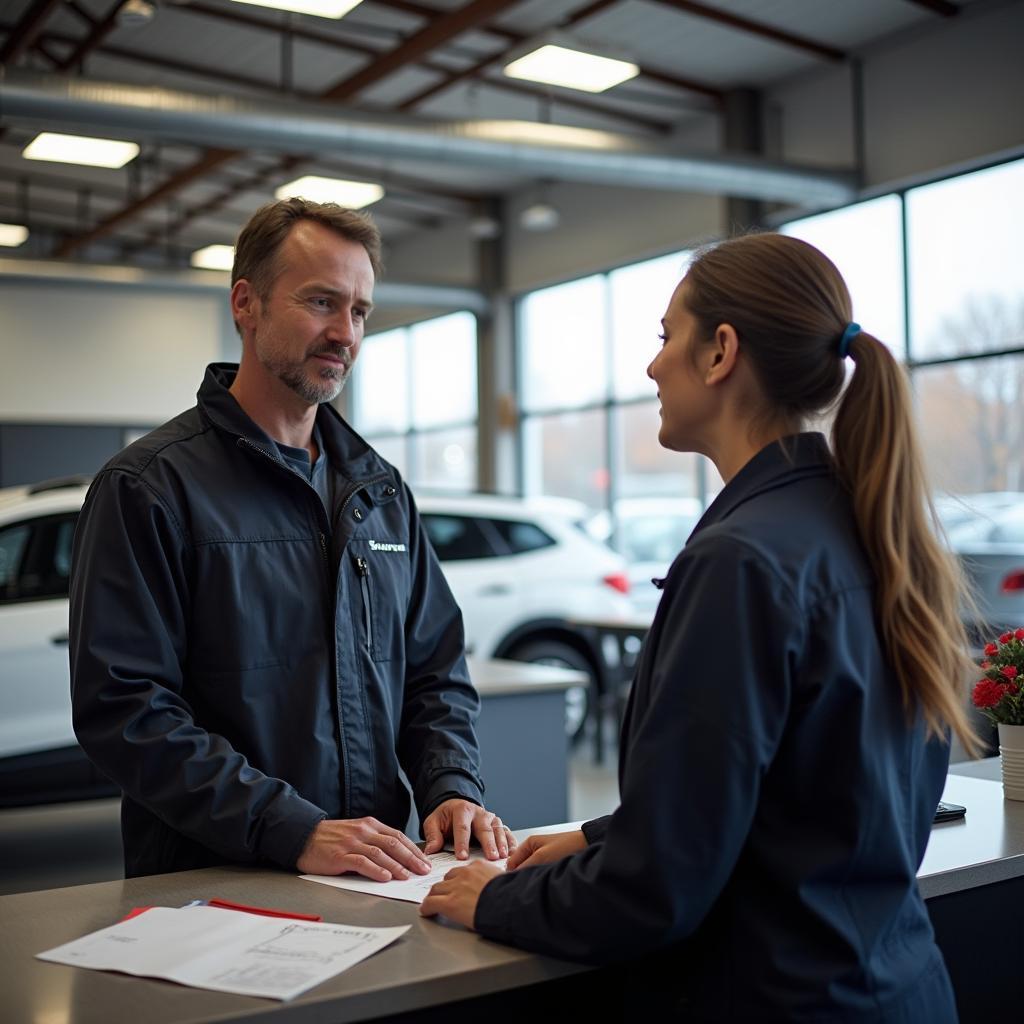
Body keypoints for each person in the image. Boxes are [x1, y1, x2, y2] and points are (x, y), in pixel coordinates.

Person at [420, 232, 975, 1021]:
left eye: (665, 338)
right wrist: (600, 834)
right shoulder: (867, 528)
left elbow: (657, 892)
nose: (652, 367)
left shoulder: (741, 561)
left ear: (720, 352)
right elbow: (794, 792)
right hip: (895, 987)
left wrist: (497, 898)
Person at [70, 198, 512, 880]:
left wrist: (450, 784)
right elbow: (127, 712)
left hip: (375, 875)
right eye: (321, 302)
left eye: (360, 311)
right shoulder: (149, 488)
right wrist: (291, 829)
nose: (346, 333)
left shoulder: (380, 492)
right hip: (210, 885)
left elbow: (435, 671)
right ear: (245, 304)